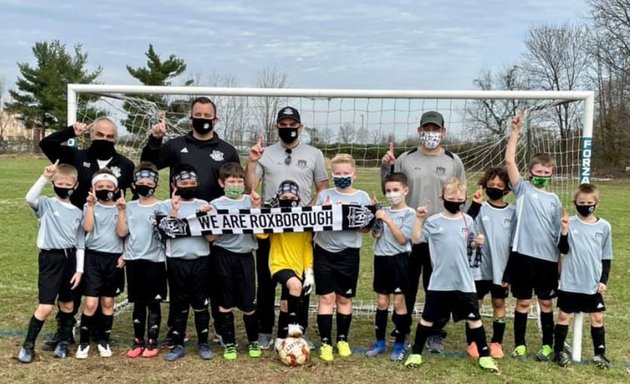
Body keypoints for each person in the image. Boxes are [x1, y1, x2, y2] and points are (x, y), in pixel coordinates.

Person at [141, 96, 239, 345]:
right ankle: (176, 329)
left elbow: (234, 184)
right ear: (191, 117)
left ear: (215, 119)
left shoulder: (227, 150)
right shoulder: (175, 145)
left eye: (208, 116)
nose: (203, 120)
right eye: (199, 115)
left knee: (215, 279)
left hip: (212, 225)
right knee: (180, 282)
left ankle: (217, 326)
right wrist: (155, 139)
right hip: (181, 224)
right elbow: (149, 162)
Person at [38, 117, 134, 350]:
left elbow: (132, 202)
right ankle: (65, 331)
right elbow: (47, 144)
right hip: (74, 232)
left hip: (108, 238)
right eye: (99, 134)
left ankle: (98, 332)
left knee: (102, 290)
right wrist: (70, 130)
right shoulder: (76, 155)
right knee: (72, 286)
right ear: (91, 135)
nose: (104, 139)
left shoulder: (126, 165)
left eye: (110, 136)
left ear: (116, 138)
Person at [381, 110, 466, 352]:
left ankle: (436, 332)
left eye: (435, 129)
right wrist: (385, 168)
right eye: (426, 129)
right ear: (419, 131)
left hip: (440, 234)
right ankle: (402, 328)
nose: (431, 134)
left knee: (437, 285)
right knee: (405, 286)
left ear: (443, 132)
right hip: (410, 233)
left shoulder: (453, 160)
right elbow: (391, 191)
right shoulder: (405, 159)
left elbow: (461, 195)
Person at [245, 106, 329, 349]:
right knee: (267, 280)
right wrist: (251, 163)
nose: (288, 128)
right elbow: (251, 186)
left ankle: (296, 330)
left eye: (293, 124)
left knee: (301, 279)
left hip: (300, 226)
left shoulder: (314, 153)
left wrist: (309, 210)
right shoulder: (265, 153)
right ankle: (264, 330)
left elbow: (322, 186)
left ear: (300, 127)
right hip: (271, 225)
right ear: (277, 126)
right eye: (284, 123)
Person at [404, 177, 499, 372]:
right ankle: (416, 353)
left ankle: (485, 356)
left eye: (459, 198)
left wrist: (477, 242)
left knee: (474, 318)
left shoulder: (468, 220)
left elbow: (470, 244)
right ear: (442, 198)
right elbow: (416, 239)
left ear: (464, 199)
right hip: (439, 281)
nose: (455, 201)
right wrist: (419, 220)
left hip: (464, 281)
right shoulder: (433, 221)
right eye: (451, 197)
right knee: (427, 318)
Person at [504, 112, 563, 361]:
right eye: (538, 171)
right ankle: (520, 344)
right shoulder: (523, 190)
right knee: (523, 303)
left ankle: (547, 345)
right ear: (530, 172)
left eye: (546, 173)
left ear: (552, 175)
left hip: (547, 260)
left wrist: (561, 266)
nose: (542, 175)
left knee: (546, 304)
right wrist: (516, 132)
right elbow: (509, 162)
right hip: (523, 257)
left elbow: (559, 235)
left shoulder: (555, 200)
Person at [17, 161, 84, 363]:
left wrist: (79, 270)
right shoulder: (45, 204)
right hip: (50, 258)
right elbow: (29, 198)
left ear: (75, 186)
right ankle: (28, 346)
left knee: (68, 303)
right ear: (54, 183)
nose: (64, 187)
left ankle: (64, 342)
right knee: (45, 307)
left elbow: (80, 243)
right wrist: (44, 177)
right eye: (59, 183)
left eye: (68, 184)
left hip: (70, 259)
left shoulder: (78, 212)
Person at [313, 154, 371, 362]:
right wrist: (325, 212)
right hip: (324, 252)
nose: (342, 176)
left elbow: (365, 230)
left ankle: (343, 339)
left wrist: (367, 216)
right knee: (327, 298)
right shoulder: (324, 195)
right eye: (337, 173)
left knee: (344, 298)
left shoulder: (362, 197)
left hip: (349, 254)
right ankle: (326, 342)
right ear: (332, 174)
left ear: (354, 174)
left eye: (346, 173)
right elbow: (313, 223)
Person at [553, 183, 613, 368]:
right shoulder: (569, 223)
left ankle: (600, 353)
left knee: (597, 317)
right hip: (571, 282)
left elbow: (606, 257)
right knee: (564, 316)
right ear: (575, 203)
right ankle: (559, 352)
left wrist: (603, 280)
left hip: (592, 283)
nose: (585, 205)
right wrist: (564, 230)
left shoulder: (604, 227)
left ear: (597, 203)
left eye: (589, 202)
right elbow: (562, 249)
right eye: (581, 202)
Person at [209, 162, 263, 360]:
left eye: (239, 181)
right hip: (223, 255)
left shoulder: (251, 200)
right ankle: (229, 343)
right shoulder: (215, 204)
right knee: (225, 302)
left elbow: (261, 233)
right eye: (231, 181)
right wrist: (206, 219)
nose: (236, 184)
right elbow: (210, 238)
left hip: (246, 256)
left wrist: (257, 209)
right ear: (222, 183)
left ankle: (253, 341)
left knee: (249, 303)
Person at [163, 164, 214, 362]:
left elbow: (212, 239)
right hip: (176, 261)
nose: (188, 186)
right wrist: (174, 212)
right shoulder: (165, 205)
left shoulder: (205, 204)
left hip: (201, 259)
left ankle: (203, 343)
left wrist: (205, 217)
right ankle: (178, 345)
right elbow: (166, 233)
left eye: (192, 183)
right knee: (179, 304)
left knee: (201, 304)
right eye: (184, 183)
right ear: (175, 184)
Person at [117, 162, 169, 359]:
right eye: (141, 181)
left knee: (153, 303)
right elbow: (122, 232)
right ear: (133, 185)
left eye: (149, 182)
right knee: (137, 303)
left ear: (155, 185)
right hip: (134, 261)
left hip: (155, 261)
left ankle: (152, 341)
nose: (145, 185)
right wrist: (121, 211)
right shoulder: (128, 206)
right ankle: (138, 340)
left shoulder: (162, 206)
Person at [256, 180, 314, 351]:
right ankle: (294, 326)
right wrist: (266, 211)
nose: (288, 199)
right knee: (295, 285)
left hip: (298, 266)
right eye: (284, 197)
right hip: (278, 263)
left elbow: (307, 247)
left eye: (292, 197)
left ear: (298, 199)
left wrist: (309, 271)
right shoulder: (275, 216)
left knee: (286, 301)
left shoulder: (304, 219)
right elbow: (261, 235)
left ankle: (282, 337)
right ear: (278, 198)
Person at [465, 166, 515, 360]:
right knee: (474, 304)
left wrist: (510, 272)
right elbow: (465, 225)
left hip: (501, 269)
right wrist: (474, 205)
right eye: (491, 184)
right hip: (478, 268)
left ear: (506, 189)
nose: (494, 188)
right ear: (485, 185)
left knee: (498, 302)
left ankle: (496, 343)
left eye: (499, 185)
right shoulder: (479, 207)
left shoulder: (513, 212)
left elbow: (514, 244)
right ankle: (474, 343)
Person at [75, 169, 125, 359]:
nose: (105, 189)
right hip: (93, 258)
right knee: (90, 303)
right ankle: (84, 343)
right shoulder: (89, 206)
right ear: (93, 189)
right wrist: (90, 207)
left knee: (108, 301)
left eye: (109, 186)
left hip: (113, 259)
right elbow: (87, 228)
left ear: (116, 188)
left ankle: (104, 340)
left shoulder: (121, 207)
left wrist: (121, 211)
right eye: (100, 187)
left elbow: (122, 233)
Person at [365, 173, 415, 362]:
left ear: (405, 191)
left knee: (399, 303)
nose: (392, 194)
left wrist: (388, 220)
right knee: (382, 302)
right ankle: (379, 343)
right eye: (388, 191)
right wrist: (375, 214)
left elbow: (403, 239)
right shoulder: (383, 211)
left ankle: (400, 344)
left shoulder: (410, 213)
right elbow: (375, 235)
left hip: (400, 261)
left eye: (395, 190)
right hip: (381, 260)